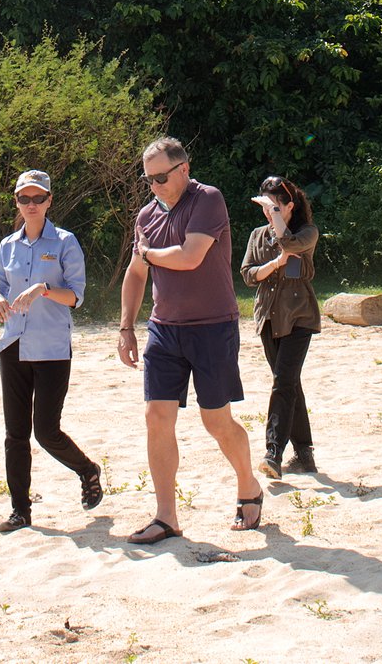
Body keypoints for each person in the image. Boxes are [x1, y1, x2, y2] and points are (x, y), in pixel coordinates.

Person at [118, 137, 257, 544]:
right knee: (155, 416)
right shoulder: (146, 216)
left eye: (161, 177)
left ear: (183, 168)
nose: (155, 186)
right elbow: (135, 273)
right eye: (148, 180)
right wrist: (126, 326)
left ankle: (248, 485)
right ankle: (166, 517)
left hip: (213, 327)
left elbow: (190, 256)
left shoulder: (208, 199)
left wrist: (151, 254)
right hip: (164, 329)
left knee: (216, 419)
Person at [0, 170, 103, 533]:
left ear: (50, 200)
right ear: (17, 202)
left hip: (52, 346)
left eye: (38, 198)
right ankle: (20, 510)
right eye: (25, 199)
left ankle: (87, 470)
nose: (31, 205)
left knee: (46, 430)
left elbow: (76, 296)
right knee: (15, 433)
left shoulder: (65, 242)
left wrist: (43, 289)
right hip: (13, 344)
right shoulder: (8, 245)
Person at [241, 175, 320, 479]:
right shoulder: (257, 236)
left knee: (283, 383)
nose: (267, 213)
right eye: (264, 207)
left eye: (274, 207)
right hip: (268, 318)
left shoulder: (307, 233)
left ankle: (273, 452)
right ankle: (305, 454)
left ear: (290, 206)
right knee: (288, 382)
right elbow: (248, 275)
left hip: (299, 317)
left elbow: (292, 251)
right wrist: (274, 264)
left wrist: (278, 227)